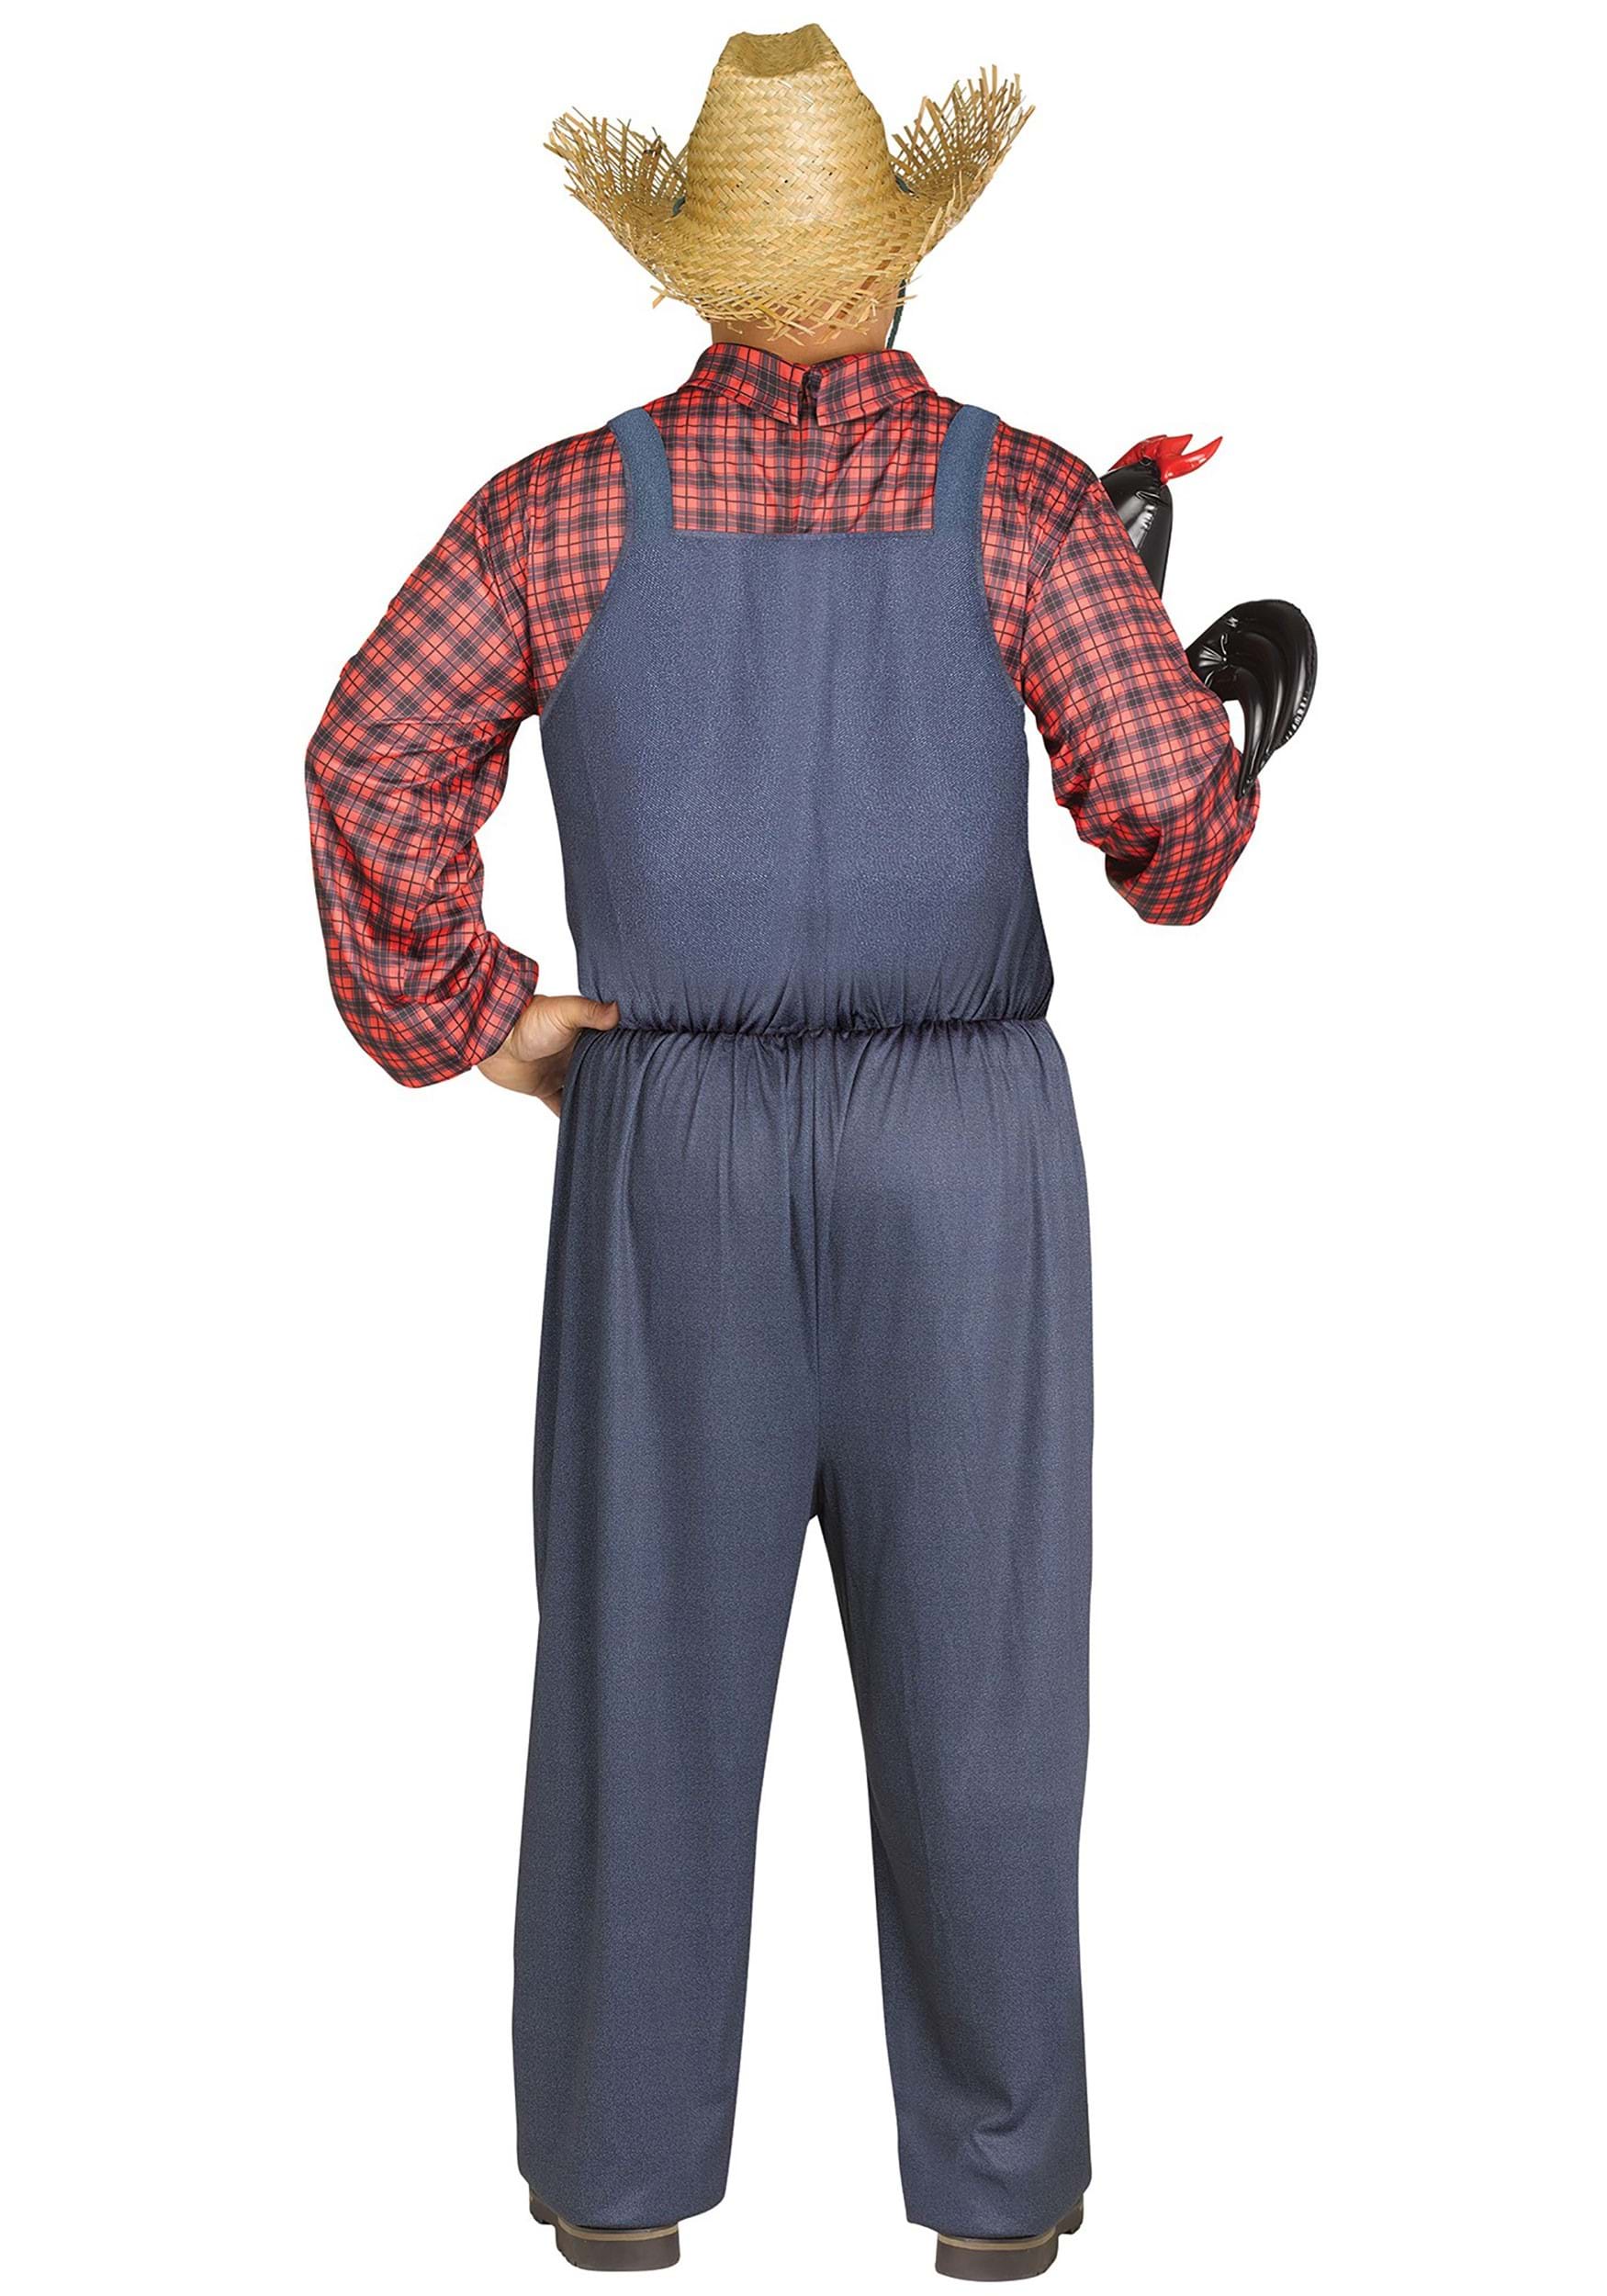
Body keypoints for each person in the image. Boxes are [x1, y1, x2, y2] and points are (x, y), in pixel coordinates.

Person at [305, 26, 1259, 2280]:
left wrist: (487, 1021)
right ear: (901, 258)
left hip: (667, 1154)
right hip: (962, 1156)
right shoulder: (1028, 506)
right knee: (987, 1696)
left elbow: (367, 758)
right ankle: (999, 2195)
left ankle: (615, 2184)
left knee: (638, 1679)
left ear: (693, 271)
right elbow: (1166, 841)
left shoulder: (555, 507)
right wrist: (1224, 720)